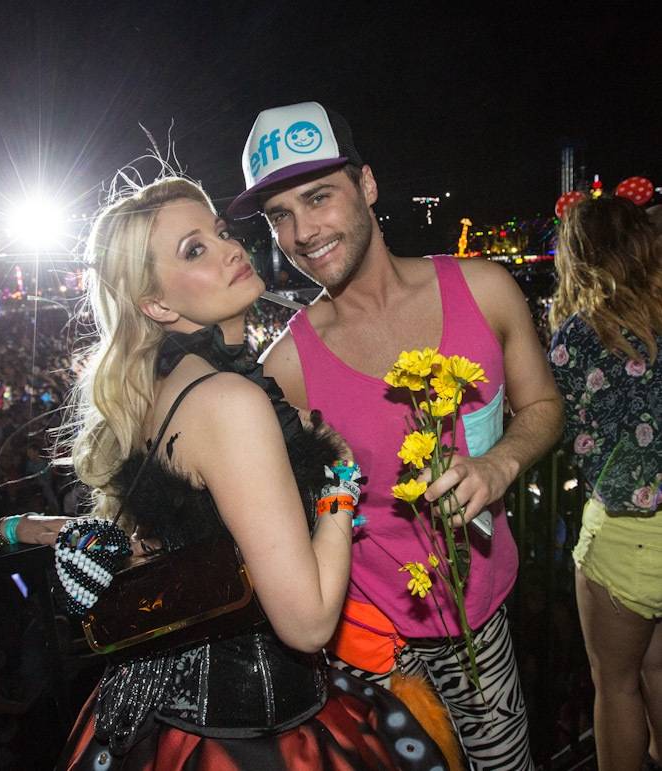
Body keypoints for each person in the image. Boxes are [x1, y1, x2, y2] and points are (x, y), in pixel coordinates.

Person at [0, 174, 453, 770]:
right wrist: (340, 484)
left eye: (220, 233)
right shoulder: (227, 401)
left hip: (167, 713)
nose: (230, 249)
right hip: (248, 735)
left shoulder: (161, 390)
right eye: (194, 249)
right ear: (158, 304)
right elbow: (307, 623)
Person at [228, 101, 564, 770]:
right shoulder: (285, 368)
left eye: (318, 197)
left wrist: (499, 465)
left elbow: (544, 405)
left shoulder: (486, 289)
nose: (302, 232)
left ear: (368, 184)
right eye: (279, 215)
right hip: (362, 646)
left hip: (477, 622)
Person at [548, 195, 662, 771]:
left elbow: (554, 422)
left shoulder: (577, 336)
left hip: (624, 533)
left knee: (616, 683)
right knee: (659, 669)